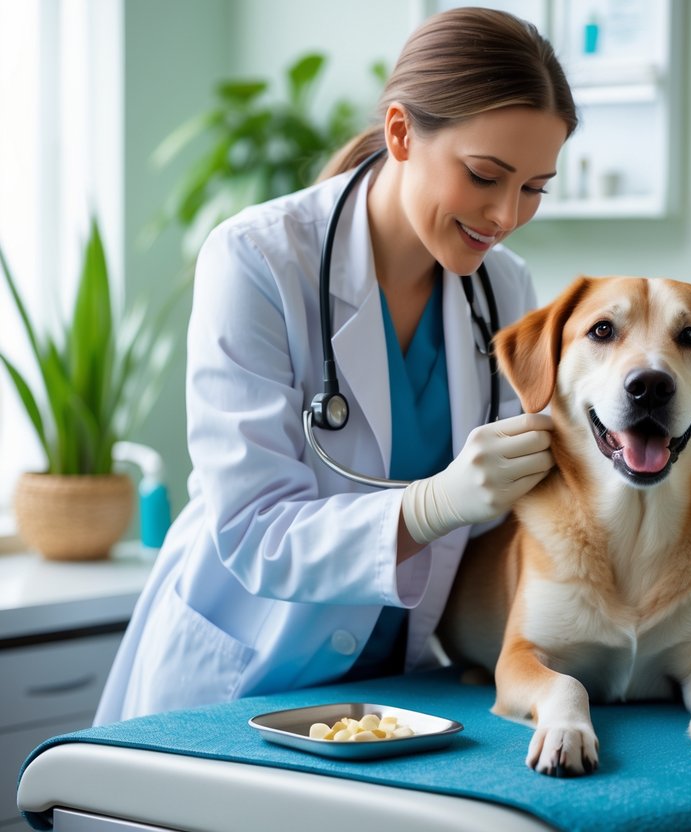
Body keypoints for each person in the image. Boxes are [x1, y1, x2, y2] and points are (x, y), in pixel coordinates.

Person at [95, 7, 577, 724]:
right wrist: (431, 504)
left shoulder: (503, 287)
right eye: (484, 175)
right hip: (241, 675)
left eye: (535, 187)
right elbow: (254, 531)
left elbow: (508, 508)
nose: (505, 213)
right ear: (400, 133)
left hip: (389, 689)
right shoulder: (257, 260)